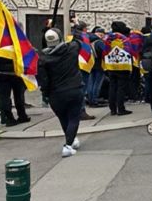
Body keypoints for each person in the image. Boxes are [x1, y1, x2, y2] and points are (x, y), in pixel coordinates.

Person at [38, 28, 84, 157]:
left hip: (55, 93)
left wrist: (45, 94)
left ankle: (71, 139)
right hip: (74, 89)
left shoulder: (43, 59)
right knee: (74, 117)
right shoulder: (72, 49)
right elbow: (79, 41)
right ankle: (68, 146)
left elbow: (43, 80)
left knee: (64, 119)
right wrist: (75, 26)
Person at [87, 27, 106, 107]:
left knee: (91, 83)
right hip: (99, 65)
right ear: (101, 34)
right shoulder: (99, 42)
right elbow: (105, 52)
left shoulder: (89, 40)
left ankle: (90, 99)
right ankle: (94, 100)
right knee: (97, 83)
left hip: (91, 64)